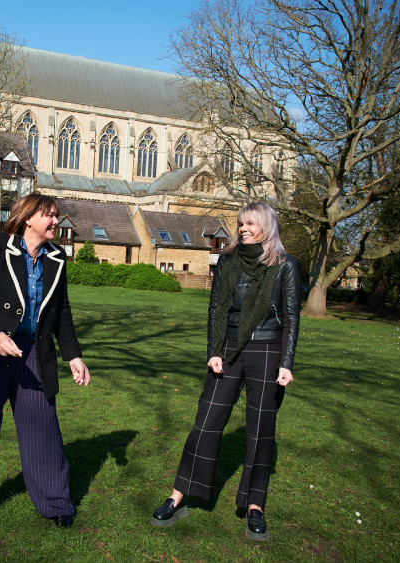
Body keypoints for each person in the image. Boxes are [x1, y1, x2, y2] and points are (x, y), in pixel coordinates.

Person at [150, 202, 300, 541]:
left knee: (260, 430)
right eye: (240, 223)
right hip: (229, 351)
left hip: (267, 350)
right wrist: (213, 351)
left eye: (250, 223)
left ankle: (255, 505)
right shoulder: (228, 261)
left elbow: (292, 318)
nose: (243, 228)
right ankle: (179, 494)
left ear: (267, 226)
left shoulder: (285, 265)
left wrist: (286, 362)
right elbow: (216, 308)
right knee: (206, 422)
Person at [0, 193, 90, 529]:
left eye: (56, 215)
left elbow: (61, 312)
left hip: (34, 352)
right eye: (49, 215)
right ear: (28, 218)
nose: (56, 221)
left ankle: (56, 503)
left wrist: (74, 356)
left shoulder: (57, 257)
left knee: (43, 429)